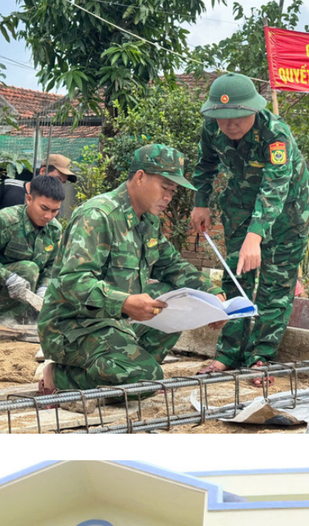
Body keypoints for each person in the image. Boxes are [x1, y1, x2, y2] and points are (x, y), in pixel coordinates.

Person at [36, 144, 224, 394]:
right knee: (147, 379)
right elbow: (74, 281)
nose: (169, 197)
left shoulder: (147, 220)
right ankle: (57, 376)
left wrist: (212, 295)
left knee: (174, 300)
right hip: (72, 327)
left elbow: (172, 265)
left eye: (173, 190)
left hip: (117, 322)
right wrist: (124, 302)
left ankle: (129, 370)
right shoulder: (98, 216)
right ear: (140, 177)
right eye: (165, 188)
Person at [189, 73, 309, 382]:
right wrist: (200, 201)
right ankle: (227, 354)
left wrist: (255, 237)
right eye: (222, 118)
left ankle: (261, 357)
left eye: (237, 117)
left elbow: (275, 187)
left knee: (275, 287)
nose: (230, 124)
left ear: (253, 110)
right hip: (240, 209)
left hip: (288, 215)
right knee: (236, 280)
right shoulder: (212, 129)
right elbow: (206, 164)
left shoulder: (275, 134)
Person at [0, 174, 64, 325]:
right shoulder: (4, 220)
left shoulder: (54, 230)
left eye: (54, 210)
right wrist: (8, 277)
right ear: (29, 199)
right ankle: (5, 322)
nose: (48, 216)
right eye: (44, 208)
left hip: (23, 293)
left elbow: (51, 266)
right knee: (29, 269)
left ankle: (20, 319)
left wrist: (44, 287)